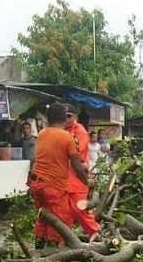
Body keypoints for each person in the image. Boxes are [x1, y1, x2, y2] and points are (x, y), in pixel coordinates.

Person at [28, 103, 89, 247]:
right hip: (53, 187)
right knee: (60, 220)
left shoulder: (42, 133)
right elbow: (77, 166)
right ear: (63, 118)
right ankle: (54, 255)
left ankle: (39, 244)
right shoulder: (67, 137)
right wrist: (87, 182)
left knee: (43, 216)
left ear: (48, 118)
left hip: (36, 184)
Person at [65, 107, 100, 238]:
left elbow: (76, 154)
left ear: (75, 116)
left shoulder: (79, 131)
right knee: (65, 211)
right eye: (64, 116)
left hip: (78, 176)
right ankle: (64, 239)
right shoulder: (64, 130)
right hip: (66, 177)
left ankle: (96, 233)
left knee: (79, 208)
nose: (66, 119)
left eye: (69, 116)